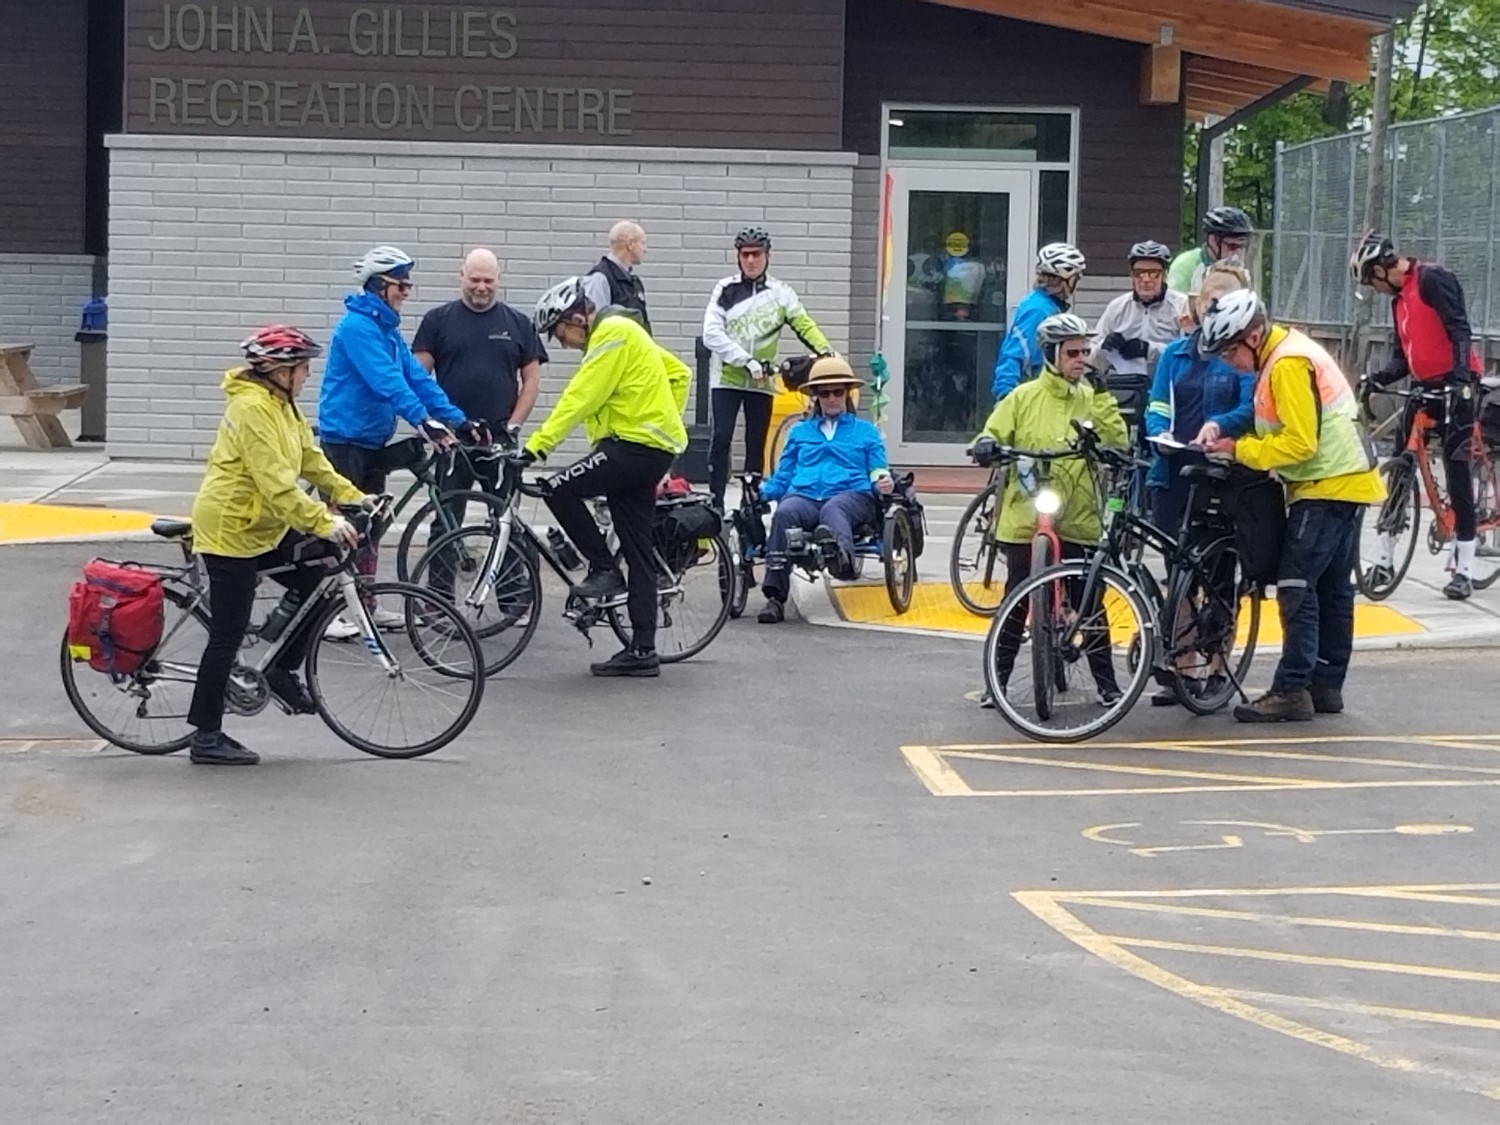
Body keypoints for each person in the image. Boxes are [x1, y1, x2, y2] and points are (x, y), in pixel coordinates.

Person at [1199, 290, 1384, 723]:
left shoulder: (1285, 365)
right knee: (1332, 586)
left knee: (1296, 583)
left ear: (1255, 335)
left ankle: (1292, 688)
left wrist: (1240, 450)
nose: (1229, 361)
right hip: (1348, 481)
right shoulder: (1286, 354)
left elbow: (1300, 443)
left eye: (1231, 351)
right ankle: (1325, 685)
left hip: (1326, 484)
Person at [186, 326, 368, 766]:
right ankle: (205, 736)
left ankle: (280, 667)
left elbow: (311, 461)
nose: (307, 376)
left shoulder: (283, 406)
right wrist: (325, 521)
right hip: (230, 531)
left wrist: (354, 497)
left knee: (317, 567)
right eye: (303, 367)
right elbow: (277, 487)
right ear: (280, 370)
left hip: (261, 528)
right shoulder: (251, 409)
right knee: (227, 635)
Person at [521, 278, 690, 678]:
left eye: (560, 331)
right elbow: (680, 375)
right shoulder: (628, 333)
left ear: (577, 316)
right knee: (638, 550)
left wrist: (535, 448)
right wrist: (665, 419)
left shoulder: (611, 334)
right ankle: (643, 650)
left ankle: (603, 570)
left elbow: (580, 398)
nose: (561, 342)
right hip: (648, 449)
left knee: (558, 489)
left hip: (633, 447)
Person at [975, 313, 1129, 706]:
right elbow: (992, 431)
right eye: (1072, 352)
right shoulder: (1023, 398)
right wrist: (986, 445)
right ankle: (999, 681)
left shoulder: (1091, 397)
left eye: (1085, 351)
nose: (1081, 359)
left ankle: (1107, 683)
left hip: (1076, 513)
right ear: (1051, 354)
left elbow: (1117, 441)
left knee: (1088, 597)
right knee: (1017, 595)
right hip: (1027, 516)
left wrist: (1105, 396)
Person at [318, 246, 475, 632]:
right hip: (345, 439)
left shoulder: (387, 330)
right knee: (344, 526)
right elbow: (386, 382)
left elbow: (417, 379)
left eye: (407, 285)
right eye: (400, 285)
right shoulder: (356, 328)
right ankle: (333, 610)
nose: (406, 292)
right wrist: (424, 422)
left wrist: (456, 419)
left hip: (372, 440)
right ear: (378, 287)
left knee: (371, 525)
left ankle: (365, 604)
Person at [1353, 231, 1483, 600]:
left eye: (1370, 280)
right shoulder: (1399, 301)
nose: (1374, 289)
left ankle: (1465, 568)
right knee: (1401, 467)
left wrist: (1460, 381)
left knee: (1456, 469)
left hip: (1456, 382)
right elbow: (1402, 359)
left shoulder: (1432, 279)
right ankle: (1384, 559)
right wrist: (1376, 379)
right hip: (1425, 385)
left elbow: (1459, 328)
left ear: (1381, 269)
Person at [702, 225, 833, 511]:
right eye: (745, 254)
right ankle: (716, 500)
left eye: (756, 254)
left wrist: (828, 353)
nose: (751, 260)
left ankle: (752, 501)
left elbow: (804, 325)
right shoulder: (725, 289)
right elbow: (711, 333)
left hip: (761, 382)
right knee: (722, 437)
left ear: (767, 256)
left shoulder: (781, 293)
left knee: (755, 441)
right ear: (738, 256)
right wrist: (744, 360)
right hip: (727, 378)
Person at [755, 356, 893, 624]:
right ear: (816, 397)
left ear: (846, 394)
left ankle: (842, 559)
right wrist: (763, 491)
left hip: (851, 494)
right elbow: (783, 475)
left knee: (834, 508)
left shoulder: (866, 432)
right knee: (784, 512)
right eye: (825, 393)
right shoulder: (799, 432)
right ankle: (775, 599)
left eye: (837, 392)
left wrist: (882, 481)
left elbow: (878, 467)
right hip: (805, 495)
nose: (831, 398)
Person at [412, 247, 548, 515]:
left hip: (499, 440)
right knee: (445, 522)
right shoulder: (437, 321)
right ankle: (445, 559)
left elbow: (531, 381)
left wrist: (514, 426)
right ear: (461, 276)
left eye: (488, 280)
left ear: (499, 278)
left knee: (507, 523)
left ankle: (511, 560)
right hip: (453, 440)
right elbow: (417, 379)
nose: (481, 287)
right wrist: (431, 424)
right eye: (475, 280)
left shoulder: (519, 323)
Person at [1143, 262, 1256, 535]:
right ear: (1198, 304)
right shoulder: (1173, 354)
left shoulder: (1240, 356)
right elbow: (1157, 404)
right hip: (1172, 471)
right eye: (1210, 303)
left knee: (1215, 564)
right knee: (1172, 554)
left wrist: (1219, 425)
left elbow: (1250, 407)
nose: (1214, 311)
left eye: (1224, 303)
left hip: (1220, 470)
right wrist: (1160, 433)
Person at [991, 242, 1088, 400]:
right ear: (1065, 280)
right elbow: (1015, 353)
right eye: (1076, 278)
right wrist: (1005, 395)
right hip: (1029, 396)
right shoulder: (1039, 310)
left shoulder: (1049, 306)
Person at [1089, 240, 1190, 377]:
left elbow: (1189, 354)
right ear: (1131, 275)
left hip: (1166, 385)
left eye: (1153, 273)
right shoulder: (1117, 307)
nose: (1146, 279)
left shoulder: (1181, 305)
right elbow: (1089, 360)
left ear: (1164, 275)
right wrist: (1104, 347)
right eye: (1139, 273)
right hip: (1123, 387)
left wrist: (1149, 350)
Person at [581, 220, 650, 333]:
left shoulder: (633, 281)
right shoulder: (600, 278)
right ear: (630, 244)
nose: (645, 249)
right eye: (642, 243)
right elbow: (596, 327)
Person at [1168, 206, 1253, 295]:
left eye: (1242, 247)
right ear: (1213, 240)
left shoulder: (1238, 268)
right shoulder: (1185, 265)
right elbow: (1174, 305)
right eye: (1232, 246)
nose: (1237, 254)